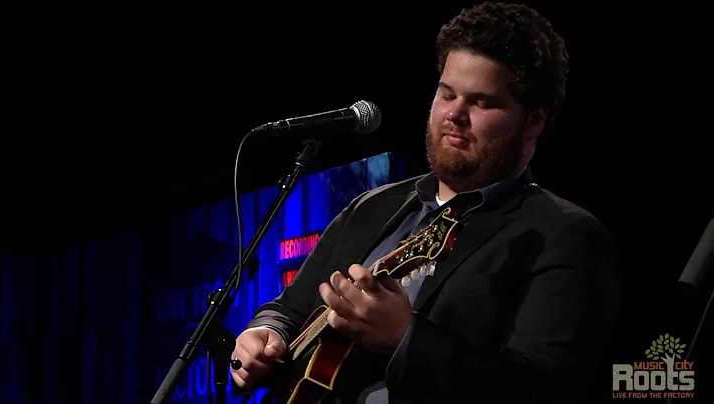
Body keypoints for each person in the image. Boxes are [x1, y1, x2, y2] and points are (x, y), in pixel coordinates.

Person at [230, 2, 621, 403]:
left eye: (482, 102)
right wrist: (267, 333)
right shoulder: (371, 207)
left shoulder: (564, 236)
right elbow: (288, 309)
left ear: (534, 120)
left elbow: (543, 389)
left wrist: (406, 339)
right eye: (446, 93)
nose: (455, 114)